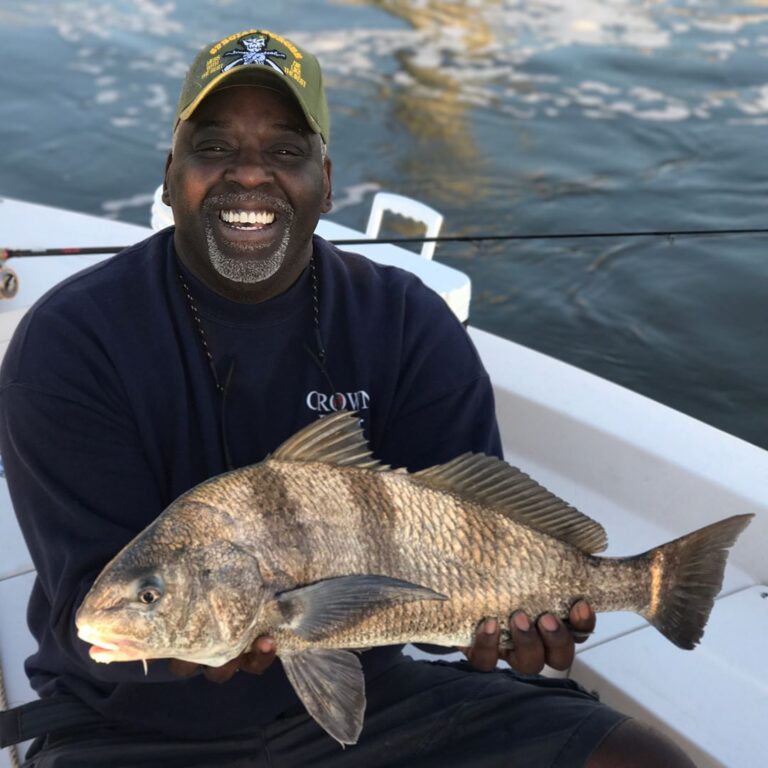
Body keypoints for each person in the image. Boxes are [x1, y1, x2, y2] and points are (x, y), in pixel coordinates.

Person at [0, 27, 694, 768]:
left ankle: (657, 584)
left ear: (326, 182)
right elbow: (98, 604)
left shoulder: (407, 323)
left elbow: (467, 547)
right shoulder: (71, 342)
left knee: (640, 759)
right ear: (171, 176)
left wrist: (497, 622)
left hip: (378, 696)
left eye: (286, 152)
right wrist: (224, 619)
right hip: (128, 728)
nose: (250, 175)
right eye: (214, 148)